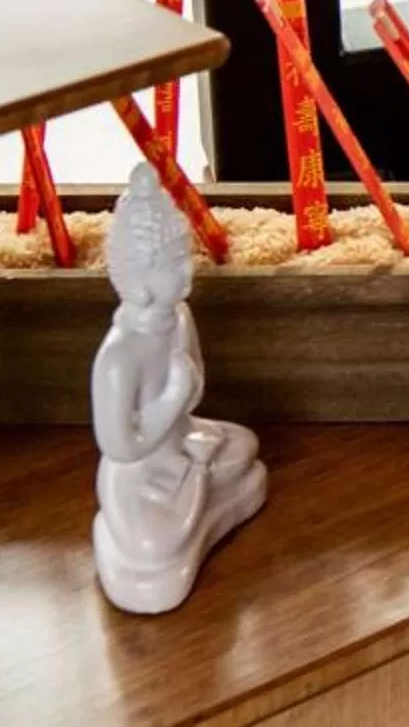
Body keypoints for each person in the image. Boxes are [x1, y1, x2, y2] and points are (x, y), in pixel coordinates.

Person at [90, 164, 265, 614]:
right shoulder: (119, 357)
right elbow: (120, 447)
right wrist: (171, 399)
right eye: (174, 264)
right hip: (140, 472)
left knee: (243, 446)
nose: (188, 269)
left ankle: (202, 480)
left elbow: (194, 389)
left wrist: (185, 404)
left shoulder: (179, 317)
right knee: (152, 542)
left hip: (183, 438)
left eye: (184, 255)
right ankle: (191, 493)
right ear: (139, 281)